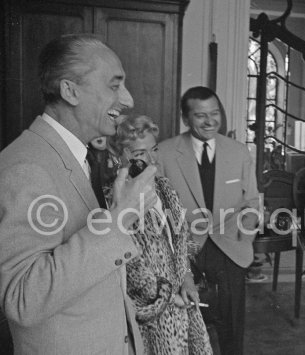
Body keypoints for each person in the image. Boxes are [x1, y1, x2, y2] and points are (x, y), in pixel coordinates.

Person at [0, 34, 158, 354]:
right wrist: (121, 218)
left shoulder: (76, 156)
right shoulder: (27, 166)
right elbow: (22, 299)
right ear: (70, 90)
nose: (127, 99)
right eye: (114, 86)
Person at [158, 86, 259, 355]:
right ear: (185, 117)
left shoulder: (239, 151)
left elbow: (251, 202)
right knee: (187, 330)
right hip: (185, 252)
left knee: (232, 331)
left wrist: (245, 235)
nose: (210, 121)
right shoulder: (164, 153)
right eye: (200, 115)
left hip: (230, 250)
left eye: (215, 113)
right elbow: (157, 210)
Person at [109, 115, 213, 355]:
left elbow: (181, 242)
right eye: (140, 153)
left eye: (154, 149)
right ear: (121, 156)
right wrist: (166, 299)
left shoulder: (165, 188)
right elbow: (131, 266)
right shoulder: (115, 200)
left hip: (182, 302)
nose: (152, 159)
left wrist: (187, 279)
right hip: (151, 313)